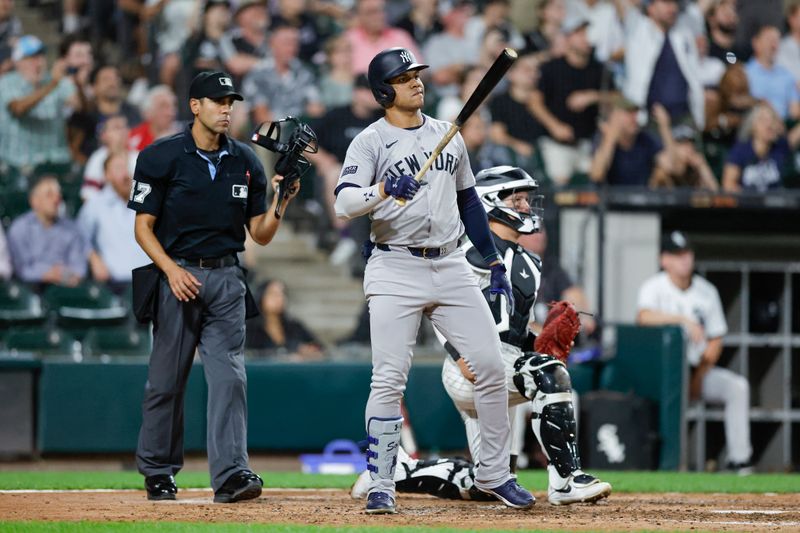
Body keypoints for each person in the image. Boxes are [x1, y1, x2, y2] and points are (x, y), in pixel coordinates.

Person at [333, 47, 533, 514]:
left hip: (449, 265)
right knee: (388, 380)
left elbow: (469, 205)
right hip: (394, 265)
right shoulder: (370, 141)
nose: (416, 82)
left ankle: (494, 475)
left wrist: (493, 261)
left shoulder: (449, 135)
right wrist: (385, 188)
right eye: (405, 78)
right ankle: (382, 482)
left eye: (417, 74)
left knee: (490, 366)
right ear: (384, 91)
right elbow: (344, 203)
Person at [350, 166, 611, 505]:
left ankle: (401, 472)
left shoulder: (530, 261)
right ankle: (566, 481)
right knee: (549, 373)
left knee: (489, 483)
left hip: (507, 361)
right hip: (471, 365)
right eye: (516, 199)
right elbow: (437, 308)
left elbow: (513, 328)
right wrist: (460, 354)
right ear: (490, 202)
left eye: (526, 199)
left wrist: (538, 342)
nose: (525, 207)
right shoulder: (464, 252)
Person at [129, 71, 299, 503]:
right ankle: (159, 472)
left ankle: (231, 475)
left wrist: (281, 201)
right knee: (166, 381)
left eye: (231, 102)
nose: (226, 109)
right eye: (218, 101)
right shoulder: (160, 156)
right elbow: (142, 227)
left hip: (226, 278)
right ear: (195, 106)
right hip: (178, 276)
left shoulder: (244, 159)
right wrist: (169, 270)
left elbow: (259, 234)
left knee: (230, 379)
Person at [637, 231, 753, 474]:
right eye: (677, 255)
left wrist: (700, 374)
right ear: (664, 259)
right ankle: (658, 461)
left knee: (737, 387)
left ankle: (739, 461)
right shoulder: (654, 287)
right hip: (663, 375)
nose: (685, 260)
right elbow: (643, 317)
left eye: (687, 253)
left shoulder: (706, 291)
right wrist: (682, 320)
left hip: (697, 369)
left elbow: (716, 338)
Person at [0, 35, 77, 172]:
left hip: (56, 160)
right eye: (32, 58)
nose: (39, 62)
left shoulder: (55, 79)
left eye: (41, 56)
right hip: (19, 163)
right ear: (17, 62)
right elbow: (18, 108)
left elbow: (78, 105)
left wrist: (77, 79)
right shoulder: (7, 82)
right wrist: (52, 85)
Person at [77, 151, 150, 291]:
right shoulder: (95, 205)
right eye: (118, 168)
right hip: (114, 284)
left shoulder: (144, 201)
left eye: (126, 168)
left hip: (150, 281)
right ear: (106, 175)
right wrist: (94, 259)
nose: (125, 174)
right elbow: (79, 237)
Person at [7, 175, 89, 287]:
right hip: (30, 288)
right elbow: (21, 270)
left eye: (58, 195)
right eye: (49, 195)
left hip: (65, 288)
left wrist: (64, 274)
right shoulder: (19, 228)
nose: (56, 200)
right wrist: (47, 274)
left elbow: (79, 268)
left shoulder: (72, 229)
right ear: (34, 201)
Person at [722, 103, 800, 192]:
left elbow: (796, 134)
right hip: (748, 203)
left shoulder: (780, 147)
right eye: (764, 120)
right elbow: (728, 185)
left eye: (773, 120)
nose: (770, 124)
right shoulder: (739, 151)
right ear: (752, 127)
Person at [245, 279, 323, 359]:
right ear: (261, 296)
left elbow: (318, 347)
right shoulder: (250, 328)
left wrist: (306, 350)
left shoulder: (294, 325)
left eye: (282, 293)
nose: (280, 298)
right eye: (273, 294)